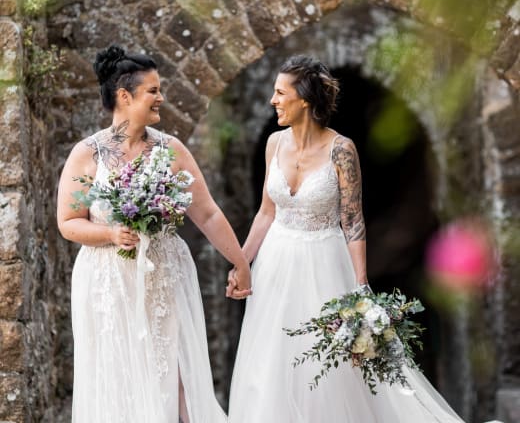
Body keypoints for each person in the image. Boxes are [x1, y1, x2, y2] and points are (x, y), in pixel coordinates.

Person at [226, 55, 465, 422]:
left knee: (328, 365)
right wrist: (241, 263)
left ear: (303, 99)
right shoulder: (274, 144)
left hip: (324, 263)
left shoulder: (342, 150)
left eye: (280, 93)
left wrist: (361, 286)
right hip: (274, 265)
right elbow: (265, 213)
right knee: (270, 360)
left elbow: (353, 219)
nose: (273, 100)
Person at [57, 45, 251, 423]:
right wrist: (112, 234)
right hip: (107, 282)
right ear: (124, 96)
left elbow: (207, 213)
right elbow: (68, 222)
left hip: (163, 274)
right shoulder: (88, 155)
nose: (161, 97)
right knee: (117, 375)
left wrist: (240, 262)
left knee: (174, 373)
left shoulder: (171, 150)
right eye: (153, 90)